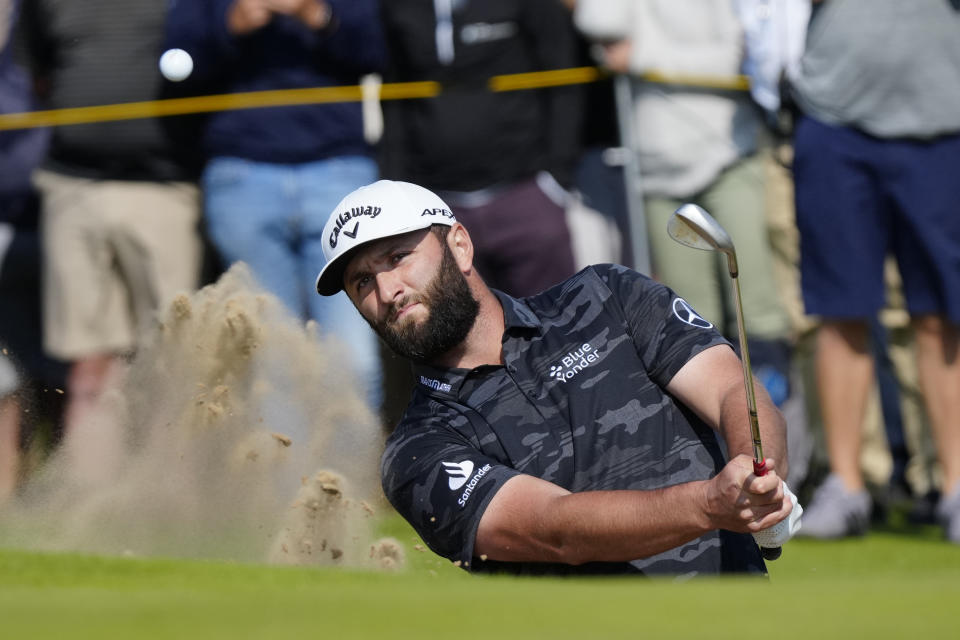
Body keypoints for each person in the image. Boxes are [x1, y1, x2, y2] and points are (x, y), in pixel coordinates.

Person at [313, 179, 800, 576]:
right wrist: (712, 505)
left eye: (398, 257)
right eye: (362, 282)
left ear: (459, 245)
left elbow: (733, 388)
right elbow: (554, 529)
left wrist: (757, 475)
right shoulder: (416, 451)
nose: (387, 290)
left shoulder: (606, 295)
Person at [790, 0, 960, 543]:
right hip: (835, 117)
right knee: (840, 311)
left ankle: (957, 488)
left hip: (943, 121)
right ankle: (846, 486)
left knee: (940, 316)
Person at [164, 0, 387, 409]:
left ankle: (353, 472)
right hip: (241, 179)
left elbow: (381, 53)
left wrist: (316, 15)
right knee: (272, 359)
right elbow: (175, 67)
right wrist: (231, 26)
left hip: (338, 172)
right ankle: (290, 474)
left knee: (353, 359)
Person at [574, 0, 794, 410]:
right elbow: (597, 18)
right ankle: (726, 453)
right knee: (694, 322)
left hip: (731, 160)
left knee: (759, 314)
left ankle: (786, 454)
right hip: (659, 176)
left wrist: (640, 54)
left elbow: (736, 60)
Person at [17, 0, 203, 437]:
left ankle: (175, 490)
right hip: (72, 186)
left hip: (166, 188)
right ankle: (94, 499)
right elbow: (35, 70)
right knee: (87, 366)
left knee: (173, 359)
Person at [378, 0, 582, 298]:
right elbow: (394, 102)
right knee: (467, 338)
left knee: (559, 325)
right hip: (440, 207)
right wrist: (400, 190)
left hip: (525, 194)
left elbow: (564, 76)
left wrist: (557, 178)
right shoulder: (398, 8)